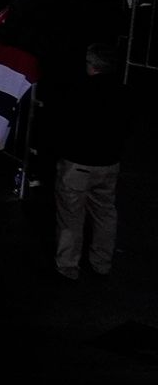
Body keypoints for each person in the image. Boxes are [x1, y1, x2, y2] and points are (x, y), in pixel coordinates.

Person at [37, 41, 124, 282]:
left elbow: (62, 126)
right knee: (105, 214)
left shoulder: (78, 92)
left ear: (93, 66)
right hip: (109, 164)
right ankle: (102, 263)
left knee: (70, 217)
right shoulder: (124, 93)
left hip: (78, 164)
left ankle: (68, 265)